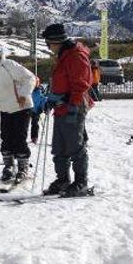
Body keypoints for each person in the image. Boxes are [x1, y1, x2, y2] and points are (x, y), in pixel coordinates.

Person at [41, 23, 94, 197]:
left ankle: (81, 182)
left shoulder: (76, 56)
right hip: (62, 106)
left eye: (49, 43)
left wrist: (68, 101)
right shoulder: (64, 55)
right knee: (59, 146)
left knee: (75, 145)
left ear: (57, 42)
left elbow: (81, 84)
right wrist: (53, 98)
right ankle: (63, 179)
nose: (48, 48)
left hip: (74, 106)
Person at [0, 47, 36, 182]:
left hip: (21, 107)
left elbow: (30, 78)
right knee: (6, 138)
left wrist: (24, 94)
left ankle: (23, 168)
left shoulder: (8, 65)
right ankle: (8, 166)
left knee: (19, 138)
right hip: (5, 109)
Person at [30, 79, 47, 143]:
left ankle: (34, 137)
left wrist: (42, 107)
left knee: (35, 123)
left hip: (36, 110)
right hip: (28, 109)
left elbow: (43, 100)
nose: (34, 85)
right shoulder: (29, 90)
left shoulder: (40, 91)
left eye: (36, 83)